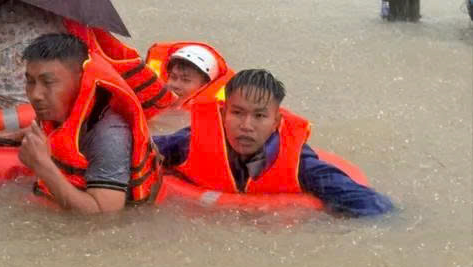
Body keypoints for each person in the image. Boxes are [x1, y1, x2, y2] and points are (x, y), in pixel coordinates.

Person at [153, 69, 394, 217]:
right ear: (223, 113)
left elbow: (368, 205)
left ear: (276, 121)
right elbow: (139, 148)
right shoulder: (190, 142)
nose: (246, 125)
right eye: (237, 113)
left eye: (259, 116)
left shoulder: (299, 163)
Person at [14, 33, 162, 214]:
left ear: (81, 79)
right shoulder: (55, 108)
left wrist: (42, 166)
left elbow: (104, 216)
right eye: (30, 81)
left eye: (48, 82)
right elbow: (53, 131)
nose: (36, 94)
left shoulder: (109, 134)